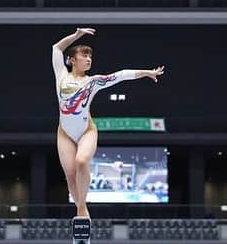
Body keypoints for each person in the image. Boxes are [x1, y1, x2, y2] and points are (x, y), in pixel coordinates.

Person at [52, 27, 165, 218]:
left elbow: (120, 75)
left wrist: (146, 73)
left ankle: (82, 209)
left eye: (90, 56)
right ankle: (80, 207)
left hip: (86, 130)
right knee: (70, 176)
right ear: (71, 60)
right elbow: (56, 48)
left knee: (81, 162)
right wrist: (77, 35)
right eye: (84, 55)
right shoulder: (61, 75)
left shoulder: (93, 82)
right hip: (64, 132)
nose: (88, 59)